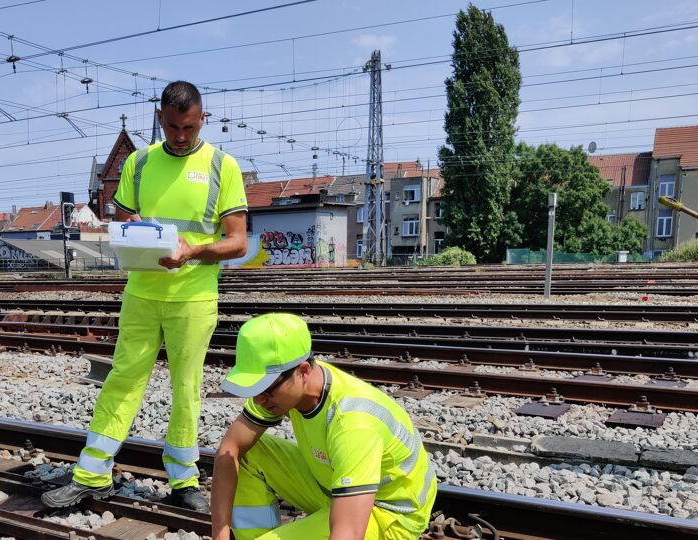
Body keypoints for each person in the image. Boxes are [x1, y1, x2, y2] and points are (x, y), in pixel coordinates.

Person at [42, 80, 248, 512]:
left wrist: (193, 250)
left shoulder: (222, 166)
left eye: (189, 127)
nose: (180, 136)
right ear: (160, 119)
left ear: (202, 119)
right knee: (122, 379)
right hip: (141, 292)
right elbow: (122, 211)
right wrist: (132, 224)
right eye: (172, 127)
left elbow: (238, 243)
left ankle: (184, 480)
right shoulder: (137, 164)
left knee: (186, 389)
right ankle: (92, 474)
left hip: (193, 297)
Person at [211, 313, 437, 540]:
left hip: (387, 514)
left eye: (265, 388)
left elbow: (347, 534)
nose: (259, 399)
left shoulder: (353, 422)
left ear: (303, 371)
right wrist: (220, 533)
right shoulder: (282, 391)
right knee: (250, 453)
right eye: (254, 389)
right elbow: (229, 450)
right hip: (333, 486)